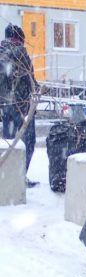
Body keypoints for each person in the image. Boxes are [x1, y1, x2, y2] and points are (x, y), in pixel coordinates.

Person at [0, 24, 38, 187]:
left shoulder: (1, 51)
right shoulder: (20, 52)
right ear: (20, 39)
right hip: (20, 105)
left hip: (3, 104)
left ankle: (6, 176)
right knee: (28, 141)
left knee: (8, 142)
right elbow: (32, 82)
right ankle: (20, 176)